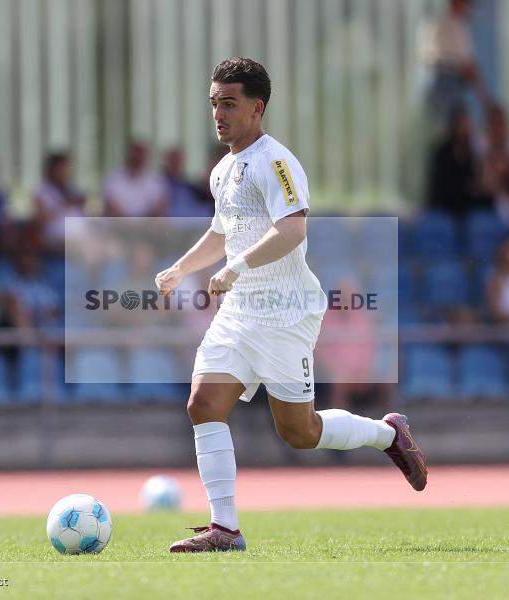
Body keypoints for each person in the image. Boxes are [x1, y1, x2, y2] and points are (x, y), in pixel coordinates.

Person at [154, 57, 427, 553]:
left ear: (256, 108)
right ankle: (225, 529)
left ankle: (387, 434)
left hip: (284, 313)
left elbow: (292, 229)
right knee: (202, 404)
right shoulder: (222, 171)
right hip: (239, 314)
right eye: (215, 103)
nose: (219, 113)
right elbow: (223, 233)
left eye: (229, 104)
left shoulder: (276, 162)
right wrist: (181, 267)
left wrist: (236, 269)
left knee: (299, 432)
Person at [418, 0, 488, 127]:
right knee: (453, 129)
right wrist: (485, 101)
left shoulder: (434, 20)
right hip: (446, 81)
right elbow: (469, 67)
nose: (468, 8)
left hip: (429, 81)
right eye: (466, 3)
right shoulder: (455, 25)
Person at [425, 107, 487, 219]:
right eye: (461, 124)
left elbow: (479, 186)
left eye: (467, 125)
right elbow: (440, 187)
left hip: (469, 212)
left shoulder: (474, 153)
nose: (465, 129)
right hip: (444, 210)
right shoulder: (442, 153)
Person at [34, 152, 87, 252]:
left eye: (67, 168)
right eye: (62, 168)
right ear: (52, 169)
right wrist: (63, 205)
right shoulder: (42, 191)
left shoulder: (72, 189)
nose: (65, 172)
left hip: (78, 235)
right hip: (55, 239)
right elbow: (41, 221)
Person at [103, 142, 169, 217]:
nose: (137, 159)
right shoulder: (114, 179)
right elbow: (113, 209)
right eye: (135, 156)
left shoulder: (156, 180)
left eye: (140, 156)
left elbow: (159, 209)